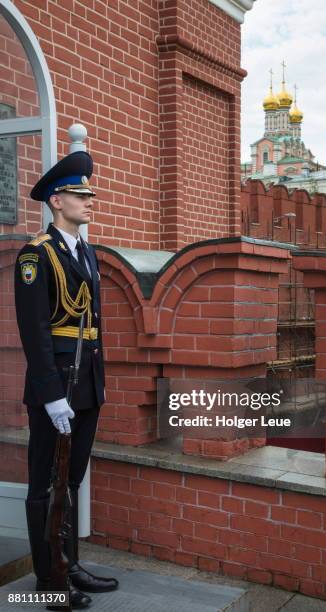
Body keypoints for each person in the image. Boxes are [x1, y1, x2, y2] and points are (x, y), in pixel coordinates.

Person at [14, 151, 119, 609]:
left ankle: (68, 564)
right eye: (81, 194)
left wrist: (95, 384)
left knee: (71, 480)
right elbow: (34, 331)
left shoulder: (88, 252)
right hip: (56, 385)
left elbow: (93, 323)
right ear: (58, 200)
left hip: (87, 381)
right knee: (45, 483)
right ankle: (47, 579)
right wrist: (53, 395)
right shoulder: (36, 255)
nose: (89, 200)